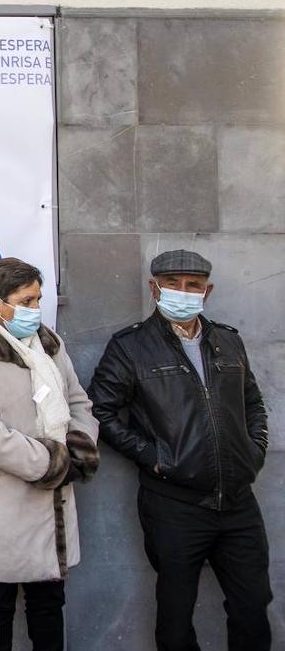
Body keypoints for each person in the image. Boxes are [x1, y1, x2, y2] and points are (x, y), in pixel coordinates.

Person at [88, 249, 270, 651]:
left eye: (193, 286)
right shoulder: (131, 347)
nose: (183, 292)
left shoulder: (227, 341)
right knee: (175, 615)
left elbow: (253, 403)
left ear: (207, 290)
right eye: (172, 284)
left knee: (253, 607)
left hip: (238, 503)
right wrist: (155, 458)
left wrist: (254, 449)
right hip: (174, 505)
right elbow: (98, 410)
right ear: (154, 288)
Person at [0, 257, 99, 651]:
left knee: (48, 604)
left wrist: (79, 448)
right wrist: (53, 463)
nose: (34, 309)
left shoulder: (48, 344)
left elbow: (78, 402)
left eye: (37, 299)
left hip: (50, 504)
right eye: (25, 301)